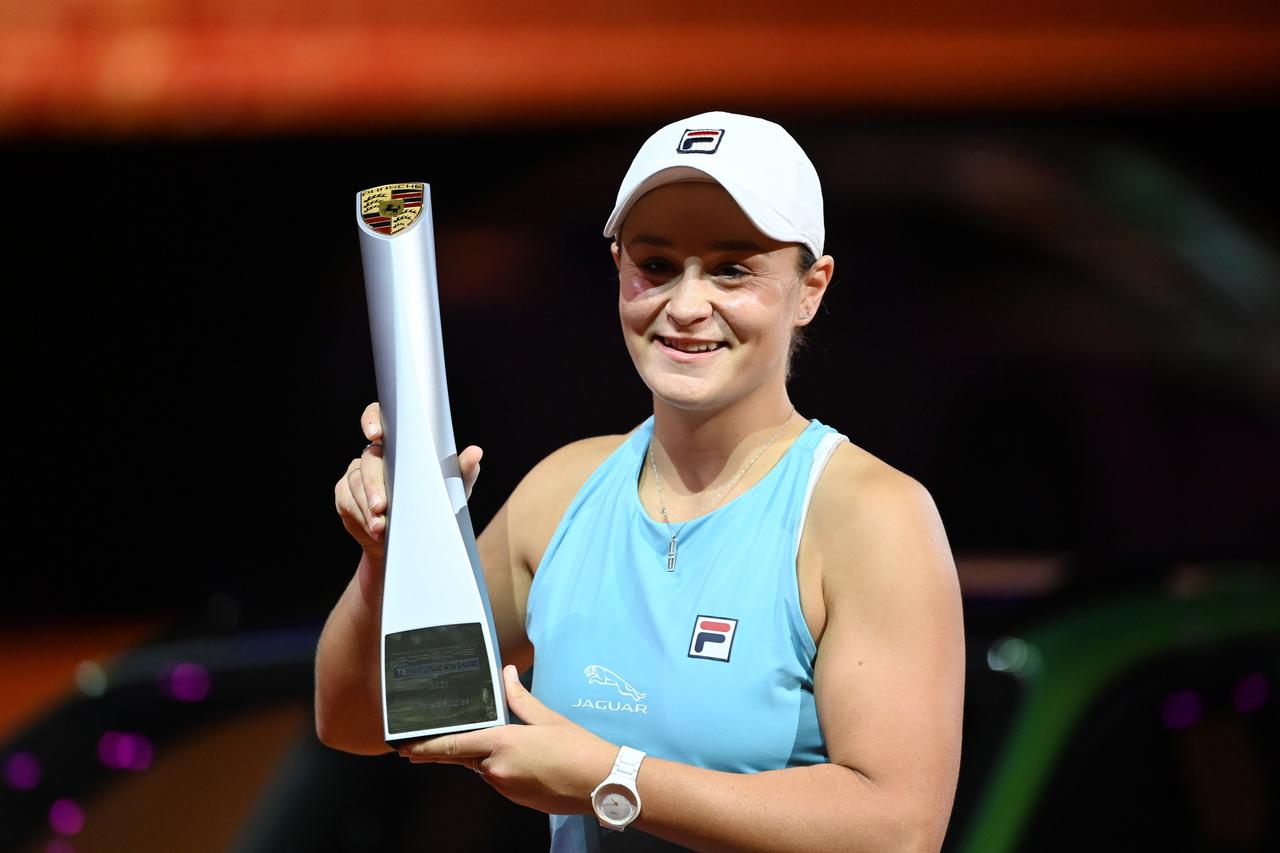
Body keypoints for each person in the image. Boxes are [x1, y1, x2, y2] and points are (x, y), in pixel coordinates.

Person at [318, 111, 965, 851]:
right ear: (619, 267)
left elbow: (899, 831)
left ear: (810, 288)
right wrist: (389, 555)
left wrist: (611, 778)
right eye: (655, 265)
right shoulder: (562, 492)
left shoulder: (869, 514)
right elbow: (360, 721)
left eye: (732, 268)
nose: (685, 306)